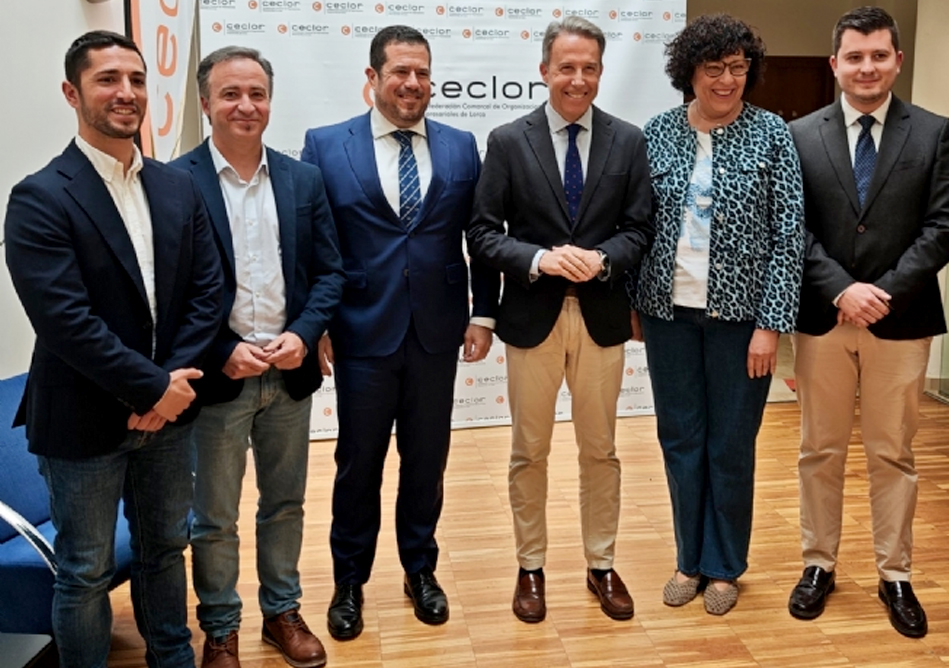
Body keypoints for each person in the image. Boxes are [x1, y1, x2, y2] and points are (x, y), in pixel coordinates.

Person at [3, 30, 223, 668]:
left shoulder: (177, 186)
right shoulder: (40, 196)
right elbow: (65, 321)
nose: (126, 92)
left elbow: (209, 293)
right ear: (72, 93)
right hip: (82, 418)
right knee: (84, 571)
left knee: (165, 549)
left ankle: (172, 659)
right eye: (107, 79)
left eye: (136, 79)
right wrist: (154, 388)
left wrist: (169, 390)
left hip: (170, 414)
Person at [301, 25, 500, 640]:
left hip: (438, 332)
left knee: (426, 460)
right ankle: (348, 582)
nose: (412, 84)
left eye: (422, 73)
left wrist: (484, 312)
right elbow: (312, 243)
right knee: (358, 463)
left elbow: (481, 235)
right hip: (360, 331)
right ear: (373, 78)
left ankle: (420, 570)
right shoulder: (326, 145)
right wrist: (315, 324)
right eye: (399, 72)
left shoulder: (461, 146)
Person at [466, 16, 653, 624]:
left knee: (601, 451)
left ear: (601, 72)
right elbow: (482, 234)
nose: (578, 79)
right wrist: (539, 259)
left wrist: (603, 260)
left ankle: (602, 564)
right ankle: (531, 566)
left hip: (601, 319)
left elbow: (640, 230)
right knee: (529, 452)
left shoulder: (628, 141)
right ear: (544, 70)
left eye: (589, 68)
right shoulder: (507, 141)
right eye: (566, 67)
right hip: (532, 318)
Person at [786, 6, 949, 638]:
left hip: (901, 318)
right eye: (855, 57)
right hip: (823, 317)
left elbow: (944, 226)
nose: (867, 67)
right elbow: (792, 227)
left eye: (879, 55)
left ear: (897, 61)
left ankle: (896, 574)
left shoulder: (932, 132)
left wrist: (880, 293)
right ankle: (818, 564)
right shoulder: (799, 135)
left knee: (893, 452)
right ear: (835, 64)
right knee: (820, 450)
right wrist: (841, 289)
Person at [171, 47, 343, 668]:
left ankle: (282, 613)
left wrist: (304, 332)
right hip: (219, 380)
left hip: (289, 374)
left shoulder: (303, 179)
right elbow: (170, 292)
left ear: (270, 101)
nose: (246, 106)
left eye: (257, 94)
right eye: (230, 94)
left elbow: (329, 272)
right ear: (205, 102)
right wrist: (222, 351)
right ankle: (220, 629)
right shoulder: (174, 182)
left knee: (285, 504)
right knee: (214, 517)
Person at [629, 14, 804, 616]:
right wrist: (635, 303)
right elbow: (637, 225)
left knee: (730, 444)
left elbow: (789, 237)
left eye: (737, 68)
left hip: (742, 323)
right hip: (667, 316)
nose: (727, 80)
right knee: (681, 439)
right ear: (690, 73)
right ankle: (689, 560)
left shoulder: (772, 134)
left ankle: (725, 565)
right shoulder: (657, 132)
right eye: (714, 68)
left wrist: (770, 326)